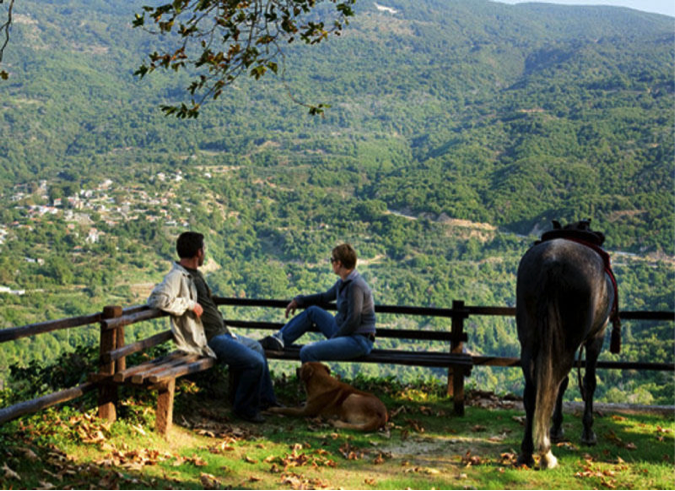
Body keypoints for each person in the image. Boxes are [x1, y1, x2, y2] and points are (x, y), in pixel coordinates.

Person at [147, 231, 277, 423]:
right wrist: (189, 305)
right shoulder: (177, 276)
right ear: (199, 252)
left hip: (223, 333)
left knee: (257, 348)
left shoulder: (195, 274)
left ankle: (267, 402)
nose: (204, 253)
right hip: (209, 339)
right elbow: (156, 299)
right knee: (254, 362)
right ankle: (244, 409)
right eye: (204, 249)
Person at [259, 243, 376, 363]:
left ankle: (316, 381)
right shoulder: (343, 282)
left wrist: (333, 339)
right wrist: (300, 300)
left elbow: (353, 321)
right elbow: (324, 297)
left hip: (358, 340)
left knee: (307, 351)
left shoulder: (355, 286)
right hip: (342, 331)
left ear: (338, 263)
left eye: (332, 260)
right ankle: (279, 340)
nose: (331, 263)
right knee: (312, 312)